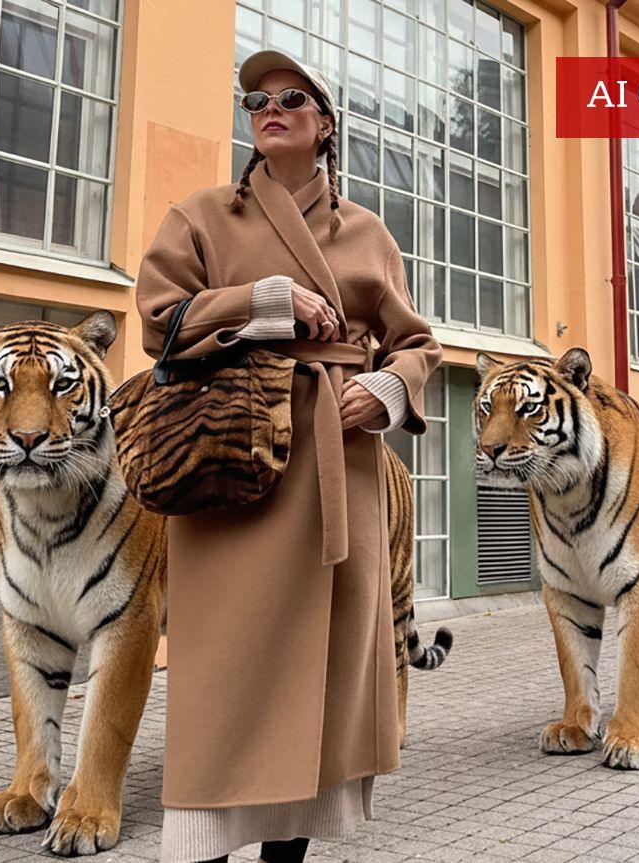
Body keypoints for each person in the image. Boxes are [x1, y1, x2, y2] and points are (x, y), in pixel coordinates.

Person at [134, 50, 443, 863]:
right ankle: (201, 843)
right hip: (233, 465)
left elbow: (417, 343)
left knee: (323, 673)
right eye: (256, 100)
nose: (269, 108)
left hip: (339, 465)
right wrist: (264, 300)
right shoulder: (201, 216)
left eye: (291, 98)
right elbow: (159, 319)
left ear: (326, 123)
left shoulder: (368, 232)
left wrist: (386, 388)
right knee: (222, 671)